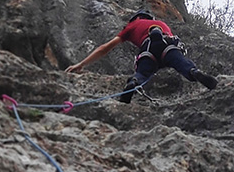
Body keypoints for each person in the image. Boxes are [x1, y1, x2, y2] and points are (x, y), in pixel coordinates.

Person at [65, 9, 218, 103]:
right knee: (181, 63)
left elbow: (104, 48)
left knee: (143, 72)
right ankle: (194, 72)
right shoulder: (162, 23)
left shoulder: (132, 26)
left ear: (136, 18)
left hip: (148, 47)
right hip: (168, 44)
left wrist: (81, 64)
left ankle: (133, 82)